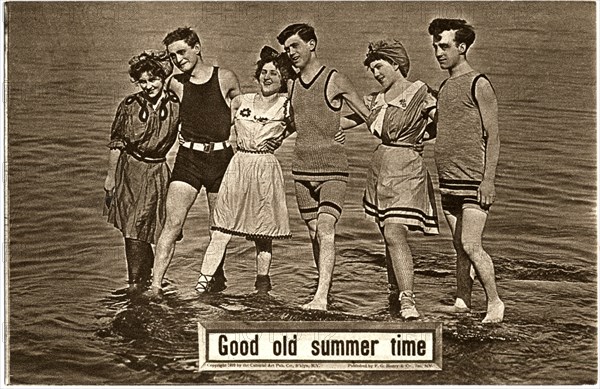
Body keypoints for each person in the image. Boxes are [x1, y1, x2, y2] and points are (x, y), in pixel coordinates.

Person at [276, 23, 369, 311]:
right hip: (301, 169)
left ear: (312, 44)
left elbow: (366, 113)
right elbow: (295, 122)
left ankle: (321, 297)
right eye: (287, 48)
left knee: (326, 228)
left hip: (332, 169)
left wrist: (341, 125)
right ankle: (323, 286)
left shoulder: (334, 79)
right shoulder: (292, 84)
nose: (290, 53)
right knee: (315, 233)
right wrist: (270, 139)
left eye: (295, 46)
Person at [195, 46, 296, 294]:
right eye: (263, 72)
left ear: (283, 78)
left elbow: (309, 123)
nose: (267, 77)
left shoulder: (287, 104)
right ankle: (202, 284)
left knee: (263, 234)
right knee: (221, 228)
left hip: (265, 167)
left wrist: (282, 136)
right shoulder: (242, 101)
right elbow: (216, 123)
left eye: (274, 73)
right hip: (238, 165)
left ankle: (262, 285)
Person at [149, 27, 241, 297]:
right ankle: (155, 286)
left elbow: (246, 115)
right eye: (172, 55)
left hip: (221, 159)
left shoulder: (225, 78)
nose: (178, 59)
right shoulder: (175, 83)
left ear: (197, 47)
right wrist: (160, 60)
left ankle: (215, 280)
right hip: (188, 158)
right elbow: (150, 75)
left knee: (218, 227)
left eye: (182, 52)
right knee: (172, 224)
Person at [429, 18, 504, 323]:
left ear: (462, 47)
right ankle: (463, 302)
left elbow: (494, 135)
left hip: (474, 181)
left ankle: (496, 302)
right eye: (435, 46)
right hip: (448, 181)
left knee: (472, 244)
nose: (438, 52)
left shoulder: (479, 83)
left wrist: (488, 181)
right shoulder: (445, 86)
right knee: (459, 246)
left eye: (444, 46)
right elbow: (443, 129)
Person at [359, 39, 440, 319]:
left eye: (379, 66)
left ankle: (408, 299)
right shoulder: (376, 99)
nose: (375, 73)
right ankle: (394, 292)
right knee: (386, 232)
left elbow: (442, 121)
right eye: (371, 69)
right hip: (381, 169)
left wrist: (423, 136)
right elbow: (350, 119)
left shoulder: (420, 91)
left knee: (395, 232)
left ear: (396, 64)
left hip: (407, 168)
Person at [104, 50, 180, 293]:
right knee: (133, 224)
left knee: (153, 224)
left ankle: (147, 279)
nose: (148, 86)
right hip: (132, 169)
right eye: (143, 81)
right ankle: (135, 282)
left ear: (163, 78)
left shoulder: (176, 103)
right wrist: (110, 177)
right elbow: (117, 143)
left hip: (159, 169)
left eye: (153, 80)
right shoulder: (129, 105)